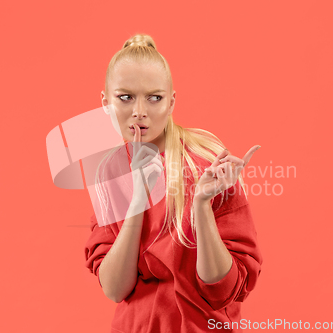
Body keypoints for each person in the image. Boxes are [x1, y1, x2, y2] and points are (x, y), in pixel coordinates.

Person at [84, 33, 263, 333]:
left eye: (154, 97)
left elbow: (222, 291)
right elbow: (115, 289)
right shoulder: (109, 173)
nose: (139, 111)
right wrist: (138, 201)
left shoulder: (206, 161)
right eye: (125, 97)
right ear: (105, 103)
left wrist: (201, 207)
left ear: (171, 102)